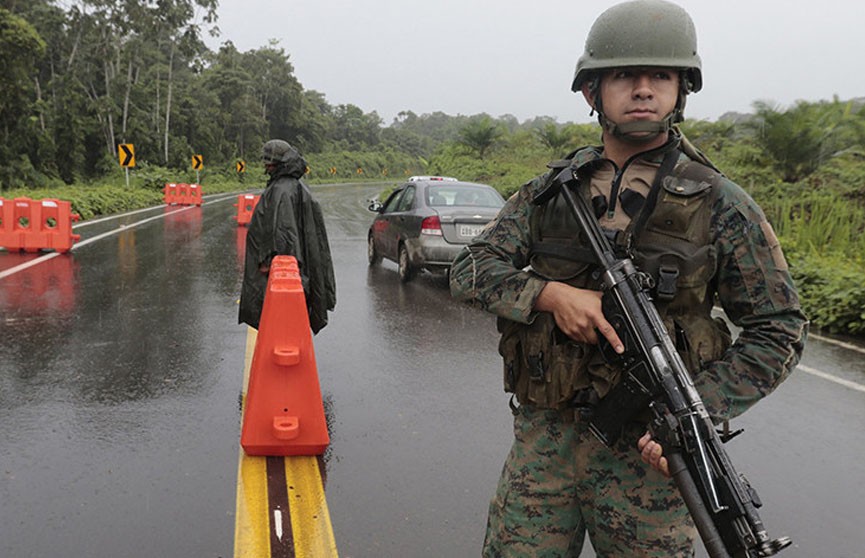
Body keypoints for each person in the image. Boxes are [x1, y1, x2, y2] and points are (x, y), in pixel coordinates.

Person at [449, 1, 808, 556]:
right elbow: (469, 270)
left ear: (680, 90)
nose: (643, 89)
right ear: (592, 92)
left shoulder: (720, 202)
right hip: (545, 449)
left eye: (659, 76)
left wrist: (697, 410)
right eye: (623, 75)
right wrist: (548, 294)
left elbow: (779, 328)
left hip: (652, 460)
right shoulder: (550, 194)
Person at [239, 139, 336, 334]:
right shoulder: (295, 186)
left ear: (274, 163)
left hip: (284, 278)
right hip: (293, 275)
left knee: (280, 326)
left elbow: (282, 236)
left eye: (267, 162)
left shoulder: (281, 191)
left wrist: (270, 264)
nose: (265, 166)